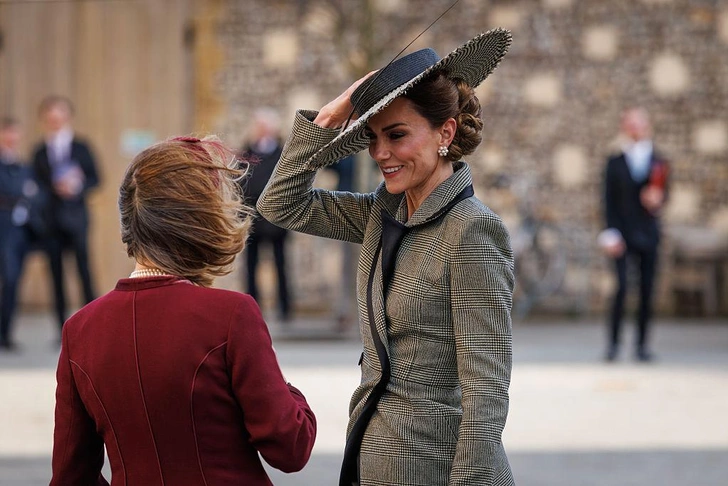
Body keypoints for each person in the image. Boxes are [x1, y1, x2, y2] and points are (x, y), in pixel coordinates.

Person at [258, 29, 514, 486]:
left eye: (396, 135)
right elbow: (280, 204)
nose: (380, 153)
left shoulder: (472, 230)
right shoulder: (382, 213)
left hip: (433, 467)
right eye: (374, 137)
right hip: (370, 454)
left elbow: (486, 392)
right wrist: (327, 118)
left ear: (445, 131)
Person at [50, 136, 316, 485]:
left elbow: (70, 475)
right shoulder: (231, 314)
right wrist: (283, 386)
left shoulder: (80, 329)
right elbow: (290, 446)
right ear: (201, 222)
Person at [602, 107, 669, 362]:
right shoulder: (614, 161)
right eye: (630, 124)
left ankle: (642, 345)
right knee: (620, 288)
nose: (634, 128)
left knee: (646, 290)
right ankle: (613, 344)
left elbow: (665, 195)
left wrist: (658, 199)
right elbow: (607, 200)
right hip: (622, 233)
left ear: (646, 126)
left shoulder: (659, 161)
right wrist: (610, 232)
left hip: (649, 234)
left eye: (638, 124)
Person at [31, 95, 100, 331]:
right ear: (44, 118)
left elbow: (96, 178)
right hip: (51, 221)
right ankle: (62, 327)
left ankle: (93, 322)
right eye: (50, 115)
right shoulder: (40, 151)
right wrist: (54, 188)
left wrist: (77, 187)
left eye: (59, 113)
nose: (55, 119)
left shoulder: (81, 147)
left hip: (77, 218)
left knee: (84, 270)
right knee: (56, 274)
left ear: (68, 115)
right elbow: (36, 184)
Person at [241, 108, 292, 321]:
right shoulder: (247, 153)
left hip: (276, 219)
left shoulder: (281, 153)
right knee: (250, 265)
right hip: (252, 218)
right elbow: (241, 182)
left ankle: (285, 308)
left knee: (281, 264)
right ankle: (253, 305)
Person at [0, 117, 41, 351]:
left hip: (19, 232)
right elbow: (18, 190)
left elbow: (36, 194)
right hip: (3, 227)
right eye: (7, 132)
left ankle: (5, 333)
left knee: (13, 280)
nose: (11, 137)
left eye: (15, 133)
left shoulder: (25, 167)